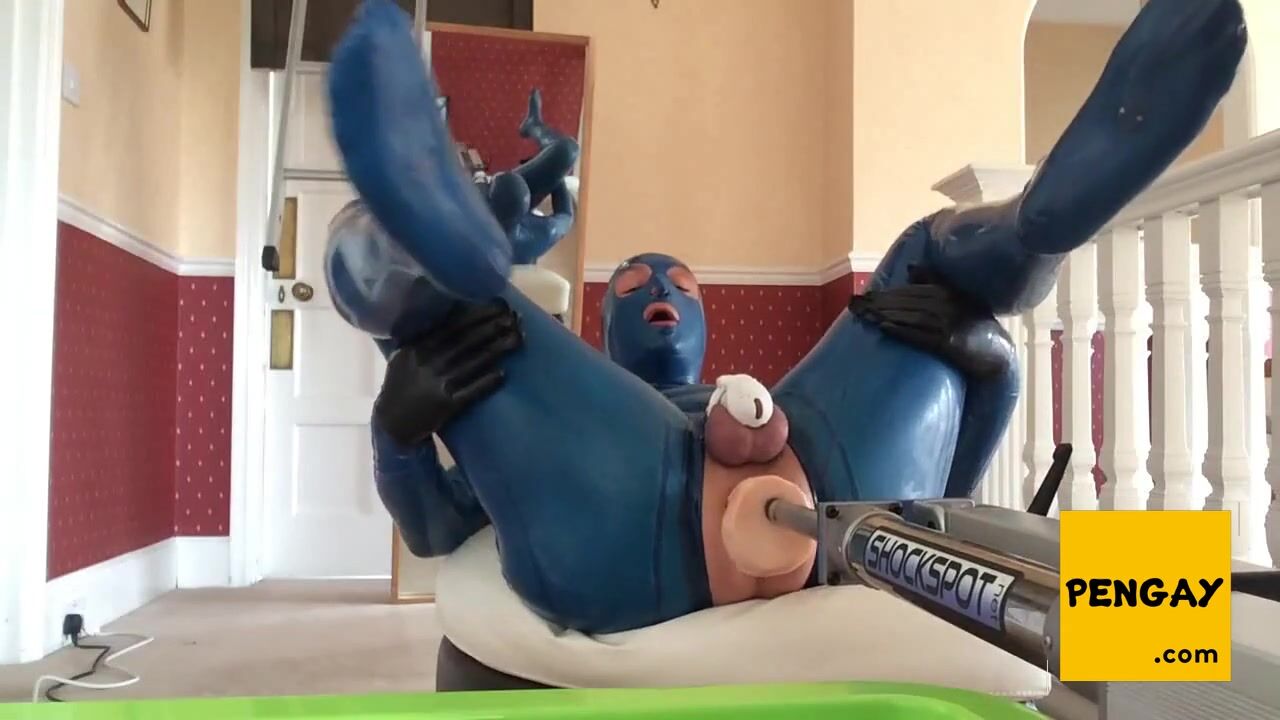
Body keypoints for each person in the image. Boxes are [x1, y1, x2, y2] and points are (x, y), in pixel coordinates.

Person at [324, 0, 1246, 633]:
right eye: (634, 285)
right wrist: (396, 436)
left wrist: (989, 365)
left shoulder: (765, 393)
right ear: (598, 330)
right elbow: (435, 534)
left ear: (707, 327)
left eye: (680, 285)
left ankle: (1028, 232)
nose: (658, 292)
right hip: (632, 518)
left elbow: (944, 506)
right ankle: (420, 257)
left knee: (918, 265)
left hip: (833, 493)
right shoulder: (558, 399)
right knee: (468, 324)